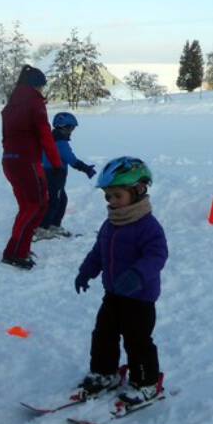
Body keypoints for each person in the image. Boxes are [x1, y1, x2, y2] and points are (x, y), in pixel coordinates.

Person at [73, 156, 169, 407]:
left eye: (118, 196)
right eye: (108, 197)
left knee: (137, 340)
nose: (112, 202)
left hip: (140, 298)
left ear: (138, 191)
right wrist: (86, 271)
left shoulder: (148, 226)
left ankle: (147, 383)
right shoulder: (111, 224)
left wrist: (137, 275)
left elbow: (157, 255)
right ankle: (106, 373)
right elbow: (99, 252)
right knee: (103, 334)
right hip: (113, 294)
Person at [0, 65, 62, 269]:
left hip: (10, 161)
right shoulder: (34, 103)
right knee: (35, 206)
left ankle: (21, 248)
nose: (42, 91)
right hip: (27, 162)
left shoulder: (10, 106)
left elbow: (5, 138)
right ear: (35, 86)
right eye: (41, 86)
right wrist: (56, 163)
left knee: (31, 205)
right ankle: (14, 252)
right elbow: (45, 134)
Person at [36, 111, 96, 240]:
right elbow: (71, 159)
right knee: (54, 201)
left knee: (61, 200)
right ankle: (43, 228)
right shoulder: (60, 143)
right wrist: (86, 169)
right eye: (71, 128)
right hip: (54, 175)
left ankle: (54, 225)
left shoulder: (51, 139)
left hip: (52, 174)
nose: (72, 131)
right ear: (65, 127)